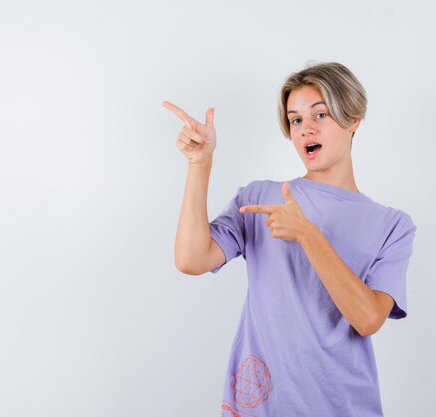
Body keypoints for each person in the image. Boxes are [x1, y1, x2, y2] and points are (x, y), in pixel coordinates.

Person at [164, 61, 417, 417]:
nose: (305, 129)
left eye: (321, 115)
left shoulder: (391, 225)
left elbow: (368, 319)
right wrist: (199, 165)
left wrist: (308, 235)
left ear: (353, 119)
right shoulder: (261, 197)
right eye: (295, 119)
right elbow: (190, 259)